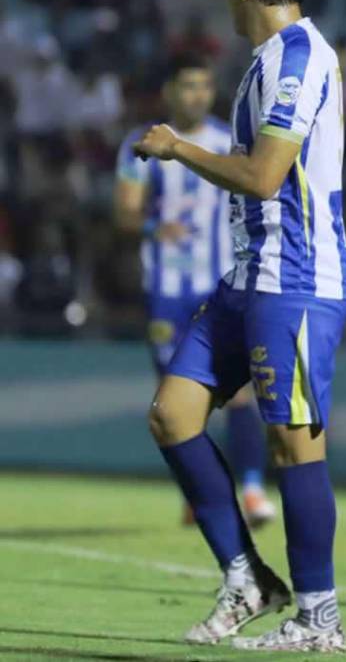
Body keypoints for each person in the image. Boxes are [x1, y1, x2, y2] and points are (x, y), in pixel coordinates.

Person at [136, 0, 346, 652]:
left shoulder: (297, 57)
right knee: (173, 414)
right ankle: (248, 579)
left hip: (295, 277)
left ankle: (319, 616)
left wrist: (177, 147)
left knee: (294, 445)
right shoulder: (269, 57)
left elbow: (264, 175)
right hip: (247, 276)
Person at [115, 56, 274, 530]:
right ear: (169, 91)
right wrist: (150, 226)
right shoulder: (141, 144)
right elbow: (124, 213)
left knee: (241, 393)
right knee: (177, 406)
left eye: (205, 86)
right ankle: (200, 497)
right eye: (188, 86)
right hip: (166, 290)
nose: (198, 95)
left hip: (221, 286)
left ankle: (250, 489)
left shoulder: (229, 140)